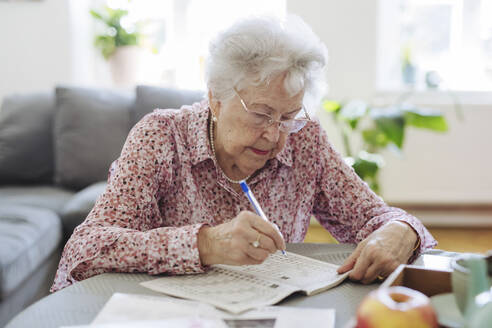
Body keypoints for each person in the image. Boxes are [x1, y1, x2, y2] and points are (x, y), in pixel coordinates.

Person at [51, 15, 436, 292]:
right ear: (215, 100)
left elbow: (376, 217)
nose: (274, 135)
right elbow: (84, 251)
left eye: (288, 117)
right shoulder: (162, 136)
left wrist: (401, 232)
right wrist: (206, 245)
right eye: (261, 114)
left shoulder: (306, 141)